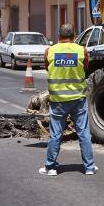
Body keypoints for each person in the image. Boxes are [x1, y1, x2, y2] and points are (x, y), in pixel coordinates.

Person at [39, 23, 97, 176]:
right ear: (74, 35)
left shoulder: (49, 51)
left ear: (59, 35)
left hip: (58, 99)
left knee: (55, 134)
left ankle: (50, 167)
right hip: (78, 99)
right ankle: (89, 167)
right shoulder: (82, 50)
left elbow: (47, 68)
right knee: (83, 133)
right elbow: (85, 68)